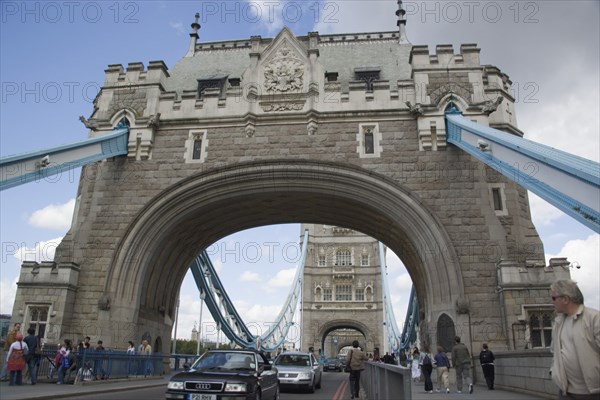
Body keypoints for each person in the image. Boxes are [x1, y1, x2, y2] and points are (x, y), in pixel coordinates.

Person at [550, 279, 600, 400]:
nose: (552, 302)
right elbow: (554, 352)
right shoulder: (558, 322)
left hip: (593, 392)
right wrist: (554, 371)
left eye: (553, 298)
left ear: (565, 299)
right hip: (565, 392)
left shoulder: (594, 318)